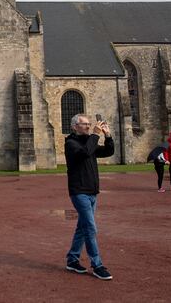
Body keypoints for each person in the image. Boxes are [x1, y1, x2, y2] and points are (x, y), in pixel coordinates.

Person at [64, 114, 115, 281]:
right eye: (84, 124)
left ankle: (72, 259)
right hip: (79, 192)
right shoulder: (71, 144)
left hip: (92, 191)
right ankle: (97, 264)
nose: (87, 126)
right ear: (75, 127)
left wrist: (107, 135)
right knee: (91, 229)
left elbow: (108, 151)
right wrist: (95, 134)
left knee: (82, 227)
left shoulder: (89, 142)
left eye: (88, 124)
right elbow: (85, 153)